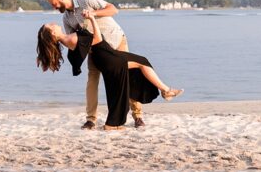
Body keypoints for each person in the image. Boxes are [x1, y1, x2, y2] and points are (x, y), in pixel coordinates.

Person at [36, 10, 182, 130]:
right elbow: (97, 39)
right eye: (50, 26)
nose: (54, 23)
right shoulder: (70, 39)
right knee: (142, 64)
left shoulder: (68, 38)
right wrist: (92, 19)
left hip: (107, 55)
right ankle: (165, 91)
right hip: (108, 57)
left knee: (140, 64)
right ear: (53, 34)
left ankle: (165, 91)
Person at [46, 0, 145, 129]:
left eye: (53, 3)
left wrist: (94, 13)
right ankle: (91, 119)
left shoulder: (86, 0)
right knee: (92, 80)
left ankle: (138, 116)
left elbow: (113, 10)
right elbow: (75, 42)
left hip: (116, 40)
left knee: (128, 76)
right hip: (96, 51)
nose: (53, 7)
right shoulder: (66, 19)